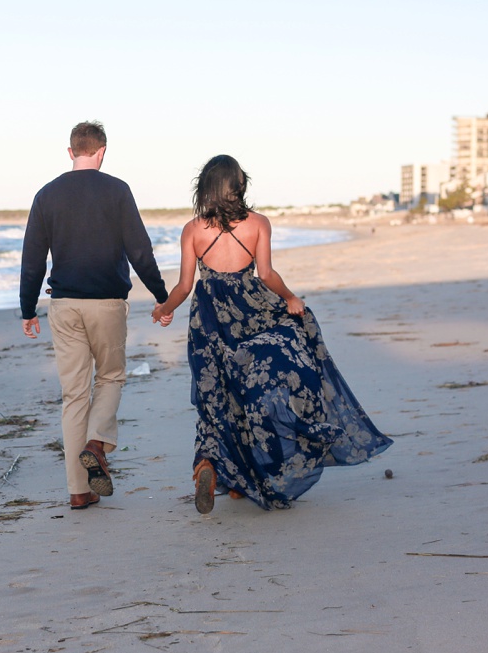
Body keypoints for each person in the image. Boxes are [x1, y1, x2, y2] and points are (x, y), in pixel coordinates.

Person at [152, 156, 392, 514]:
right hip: (253, 313)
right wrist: (291, 298)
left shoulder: (192, 230)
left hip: (210, 320)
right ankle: (247, 476)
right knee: (256, 389)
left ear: (205, 187)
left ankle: (208, 465)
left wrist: (164, 308)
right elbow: (266, 274)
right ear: (239, 186)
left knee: (216, 393)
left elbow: (185, 285)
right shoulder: (259, 224)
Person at [20, 122, 170, 510]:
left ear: (71, 152)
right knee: (111, 377)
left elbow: (33, 257)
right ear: (102, 151)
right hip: (106, 303)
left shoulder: (45, 195)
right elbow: (140, 251)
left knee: (73, 395)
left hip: (63, 304)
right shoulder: (117, 190)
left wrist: (27, 308)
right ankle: (97, 441)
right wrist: (161, 296)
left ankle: (78, 491)